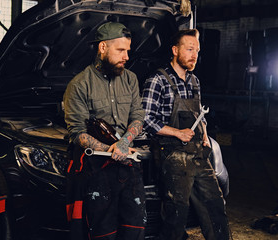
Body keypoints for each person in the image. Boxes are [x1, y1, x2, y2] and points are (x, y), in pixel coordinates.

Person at [141, 29, 230, 240]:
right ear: (174, 50)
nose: (194, 55)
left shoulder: (194, 81)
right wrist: (177, 133)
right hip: (173, 154)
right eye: (189, 49)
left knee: (215, 205)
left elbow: (200, 114)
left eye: (197, 51)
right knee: (176, 213)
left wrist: (205, 135)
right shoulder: (157, 80)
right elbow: (145, 119)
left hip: (198, 152)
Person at [63, 22, 146, 240]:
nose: (126, 56)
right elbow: (77, 132)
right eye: (120, 50)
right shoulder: (79, 85)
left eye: (128, 50)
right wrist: (110, 150)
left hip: (129, 167)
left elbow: (138, 116)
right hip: (97, 171)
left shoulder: (131, 79)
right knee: (103, 233)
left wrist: (124, 143)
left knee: (134, 229)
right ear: (102, 48)